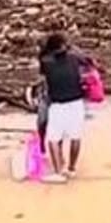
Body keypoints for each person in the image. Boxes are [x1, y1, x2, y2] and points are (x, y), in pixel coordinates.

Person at [35, 33, 88, 182]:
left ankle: (59, 172)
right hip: (77, 102)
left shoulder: (46, 62)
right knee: (75, 137)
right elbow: (86, 62)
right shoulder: (74, 59)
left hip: (58, 104)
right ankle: (71, 169)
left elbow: (42, 67)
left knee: (52, 138)